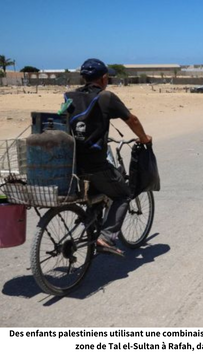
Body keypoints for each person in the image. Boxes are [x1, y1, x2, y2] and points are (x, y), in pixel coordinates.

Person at [65, 58, 152, 257]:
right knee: (123, 194)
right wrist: (144, 139)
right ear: (104, 78)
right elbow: (132, 119)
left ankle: (92, 218)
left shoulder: (70, 96)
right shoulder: (107, 97)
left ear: (83, 77)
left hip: (73, 163)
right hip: (95, 163)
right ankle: (106, 236)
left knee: (99, 190)